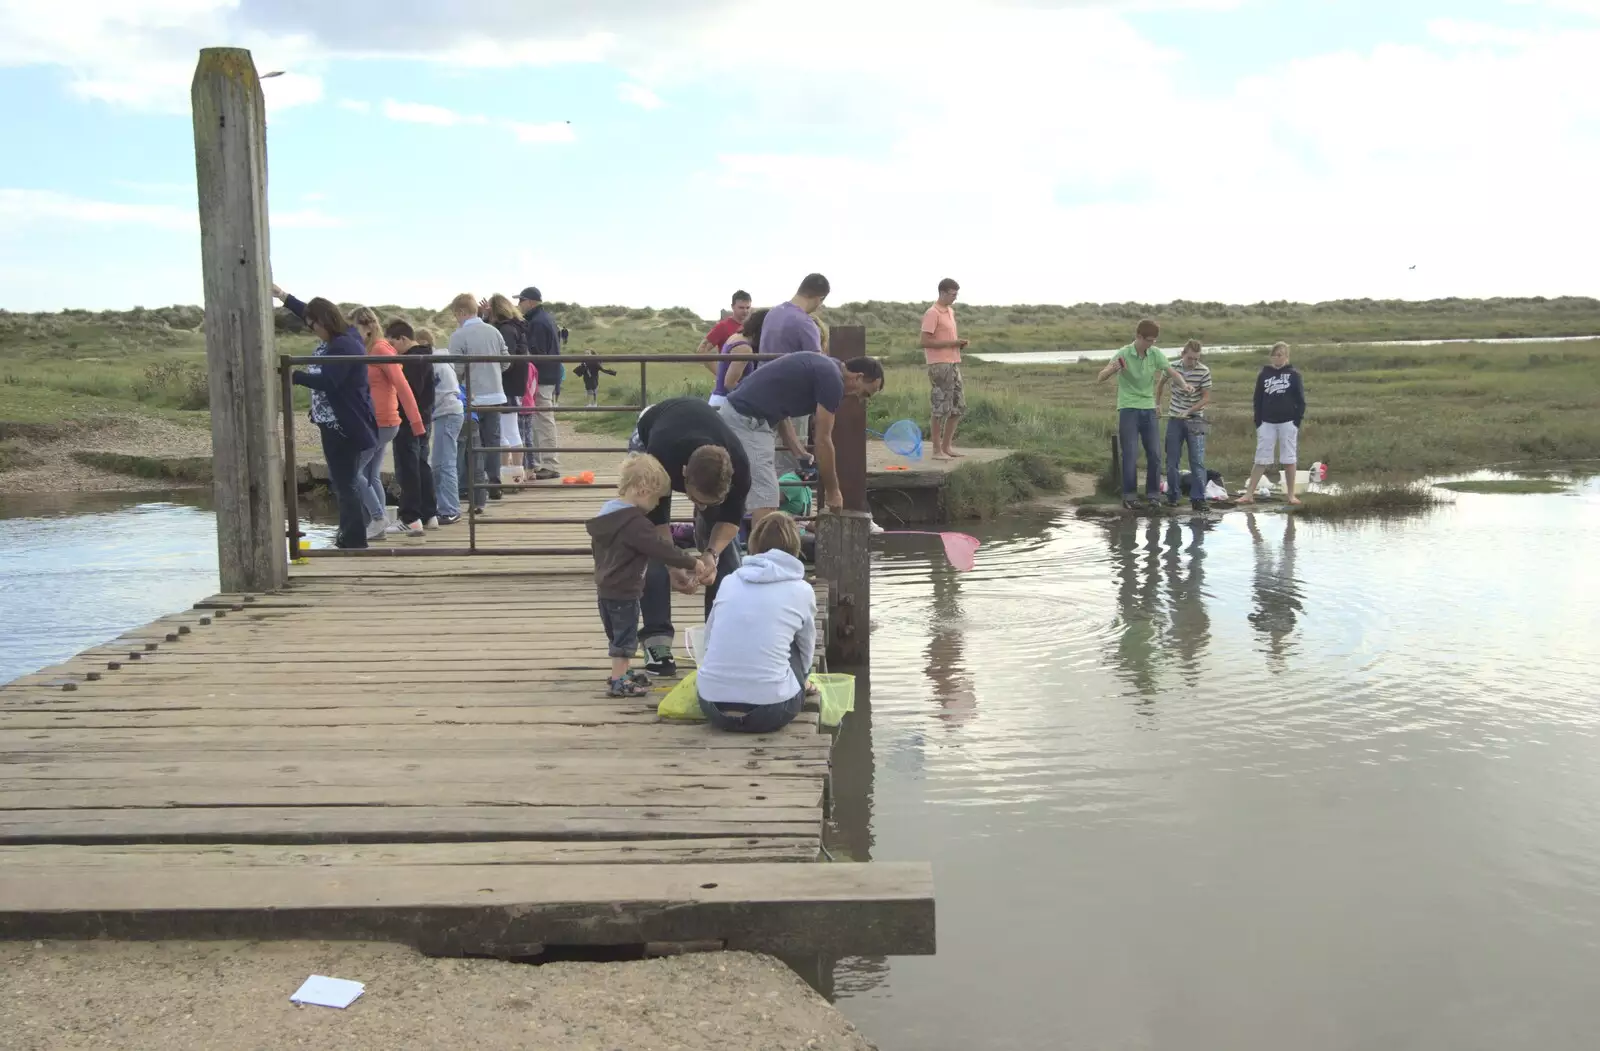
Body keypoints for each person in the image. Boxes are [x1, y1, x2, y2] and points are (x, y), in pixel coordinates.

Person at [630, 397, 752, 676]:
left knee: (729, 555)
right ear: (683, 474)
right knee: (652, 550)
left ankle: (718, 637)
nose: (703, 508)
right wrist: (674, 564)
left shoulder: (740, 468)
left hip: (704, 433)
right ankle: (656, 641)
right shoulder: (660, 460)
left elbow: (730, 521)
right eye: (697, 501)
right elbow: (657, 526)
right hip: (652, 431)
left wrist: (711, 554)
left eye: (711, 502)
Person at [587, 454, 707, 698]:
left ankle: (622, 673)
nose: (656, 506)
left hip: (605, 586)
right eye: (656, 499)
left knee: (617, 632)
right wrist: (692, 561)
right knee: (625, 637)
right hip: (625, 589)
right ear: (643, 490)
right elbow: (659, 547)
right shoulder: (634, 523)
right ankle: (619, 679)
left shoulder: (606, 516)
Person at [272, 284, 378, 549]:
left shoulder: (343, 346)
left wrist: (294, 374)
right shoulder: (345, 335)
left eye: (313, 326)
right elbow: (311, 311)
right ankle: (349, 534)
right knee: (343, 481)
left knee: (345, 484)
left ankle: (353, 539)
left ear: (325, 322)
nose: (312, 330)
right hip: (335, 421)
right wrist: (284, 297)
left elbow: (330, 382)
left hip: (340, 425)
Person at [720, 350, 884, 520]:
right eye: (864, 393)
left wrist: (799, 452)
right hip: (746, 421)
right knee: (766, 497)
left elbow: (782, 410)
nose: (859, 398)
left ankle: (730, 541)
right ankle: (764, 547)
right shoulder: (833, 381)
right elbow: (823, 440)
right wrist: (833, 492)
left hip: (740, 416)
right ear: (858, 377)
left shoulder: (828, 367)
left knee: (738, 489)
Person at [696, 512, 816, 734]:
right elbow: (807, 648)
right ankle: (803, 686)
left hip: (712, 706)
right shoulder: (802, 590)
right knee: (794, 640)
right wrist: (804, 679)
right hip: (772, 711)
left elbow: (709, 637)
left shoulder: (730, 581)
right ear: (793, 548)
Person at [1097, 319, 1193, 510]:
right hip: (1128, 408)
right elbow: (1100, 377)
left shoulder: (1155, 354)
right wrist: (1112, 369)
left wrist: (1184, 384)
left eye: (1154, 340)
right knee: (1130, 454)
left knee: (1155, 454)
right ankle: (1130, 495)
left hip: (1148, 408)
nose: (1151, 344)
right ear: (1139, 337)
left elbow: (1171, 372)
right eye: (1149, 340)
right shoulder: (1124, 353)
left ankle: (1153, 495)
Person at [350, 306, 426, 538]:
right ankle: (379, 526)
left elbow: (402, 385)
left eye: (355, 328)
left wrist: (416, 422)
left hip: (382, 422)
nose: (353, 334)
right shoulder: (367, 349)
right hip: (376, 421)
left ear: (367, 326)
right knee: (371, 474)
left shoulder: (382, 349)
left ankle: (378, 517)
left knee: (353, 471)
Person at [445, 292, 509, 515]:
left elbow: (456, 369)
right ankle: (495, 482)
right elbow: (506, 361)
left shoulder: (458, 336)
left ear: (461, 312)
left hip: (472, 398)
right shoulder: (494, 331)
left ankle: (475, 492)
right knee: (493, 441)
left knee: (474, 446)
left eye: (456, 314)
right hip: (496, 395)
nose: (456, 319)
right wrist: (493, 373)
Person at [384, 319, 440, 531]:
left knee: (407, 468)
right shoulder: (426, 356)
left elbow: (409, 393)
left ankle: (410, 517)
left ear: (403, 339)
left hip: (408, 420)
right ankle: (429, 514)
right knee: (421, 465)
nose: (391, 350)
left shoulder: (409, 361)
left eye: (392, 344)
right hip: (424, 419)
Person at [1238, 342, 1307, 506]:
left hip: (1288, 422)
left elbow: (1301, 400)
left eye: (1281, 355)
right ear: (1271, 357)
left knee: (1289, 457)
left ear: (1286, 356)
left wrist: (1296, 421)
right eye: (1275, 355)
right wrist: (1259, 421)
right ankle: (1249, 494)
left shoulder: (1294, 375)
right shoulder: (1264, 375)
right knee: (1261, 457)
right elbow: (1257, 399)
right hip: (1267, 422)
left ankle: (1291, 495)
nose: (1278, 358)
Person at [1156, 339, 1214, 512]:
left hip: (1196, 419)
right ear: (1183, 355)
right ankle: (1173, 496)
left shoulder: (1204, 371)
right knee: (1172, 459)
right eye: (1190, 358)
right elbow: (1160, 385)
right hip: (1175, 418)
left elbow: (1205, 398)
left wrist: (1190, 410)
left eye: (1196, 359)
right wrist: (1158, 404)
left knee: (1197, 460)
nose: (1193, 362)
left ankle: (1198, 498)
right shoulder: (1173, 367)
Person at [419, 328, 464, 525]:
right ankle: (445, 506)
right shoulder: (441, 362)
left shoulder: (434, 364)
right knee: (440, 462)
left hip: (447, 413)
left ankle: (450, 509)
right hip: (448, 412)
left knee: (445, 463)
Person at [921, 278, 969, 460]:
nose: (955, 297)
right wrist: (952, 343)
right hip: (939, 365)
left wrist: (958, 344)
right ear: (942, 292)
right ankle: (936, 450)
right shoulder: (932, 313)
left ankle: (947, 446)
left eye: (956, 294)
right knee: (940, 407)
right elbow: (924, 341)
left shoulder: (950, 311)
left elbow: (946, 339)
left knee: (958, 406)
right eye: (952, 294)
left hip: (953, 362)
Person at [517, 286, 562, 479]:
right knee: (540, 419)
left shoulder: (537, 323)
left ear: (531, 302)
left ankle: (550, 463)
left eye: (521, 301)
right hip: (548, 374)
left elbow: (537, 352)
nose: (519, 305)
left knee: (543, 419)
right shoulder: (544, 319)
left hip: (542, 376)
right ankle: (541, 462)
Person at [486, 294, 532, 482]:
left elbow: (507, 359)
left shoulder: (506, 330)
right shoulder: (515, 327)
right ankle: (516, 473)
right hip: (515, 384)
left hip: (507, 385)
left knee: (506, 431)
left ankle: (508, 473)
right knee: (511, 429)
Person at [760, 274, 829, 356]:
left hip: (764, 368)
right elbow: (816, 364)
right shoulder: (806, 324)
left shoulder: (772, 313)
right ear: (820, 298)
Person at [712, 308, 768, 407]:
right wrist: (755, 397)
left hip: (720, 399)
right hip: (726, 403)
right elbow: (729, 383)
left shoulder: (736, 336)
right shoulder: (744, 348)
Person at [698, 290, 754, 377]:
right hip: (730, 381)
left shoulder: (753, 326)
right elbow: (702, 350)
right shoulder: (723, 326)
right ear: (733, 307)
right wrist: (721, 375)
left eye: (747, 307)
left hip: (750, 378)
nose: (745, 311)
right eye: (741, 308)